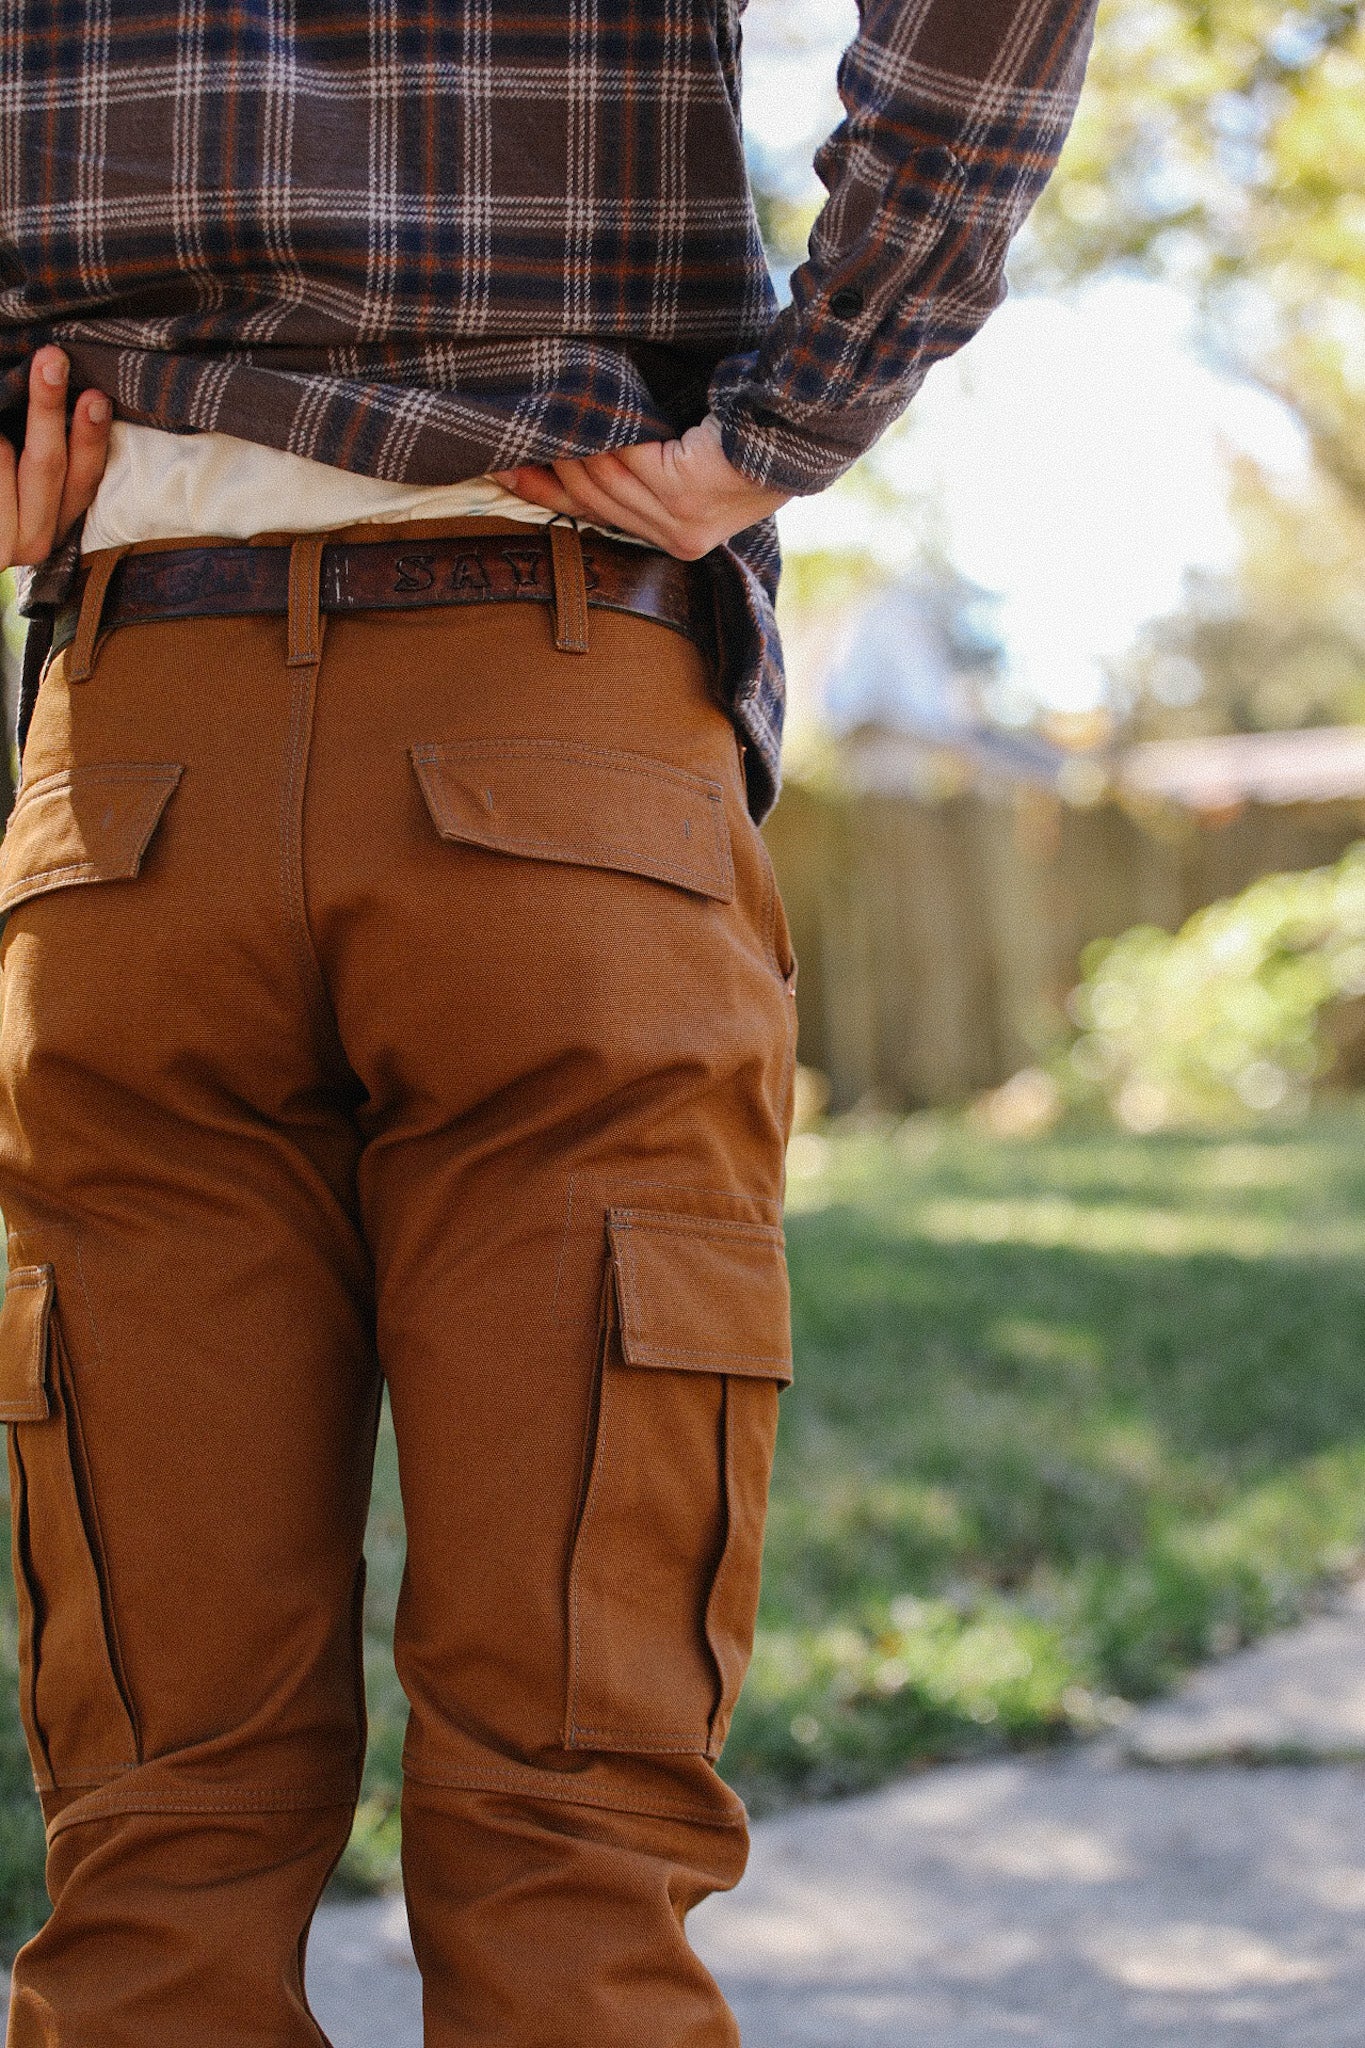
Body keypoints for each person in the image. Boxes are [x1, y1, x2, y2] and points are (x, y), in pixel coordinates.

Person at [0, 2, 1097, 2041]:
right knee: (571, 1833)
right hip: (558, 718)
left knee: (153, 1840)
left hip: (140, 771)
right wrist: (795, 406)